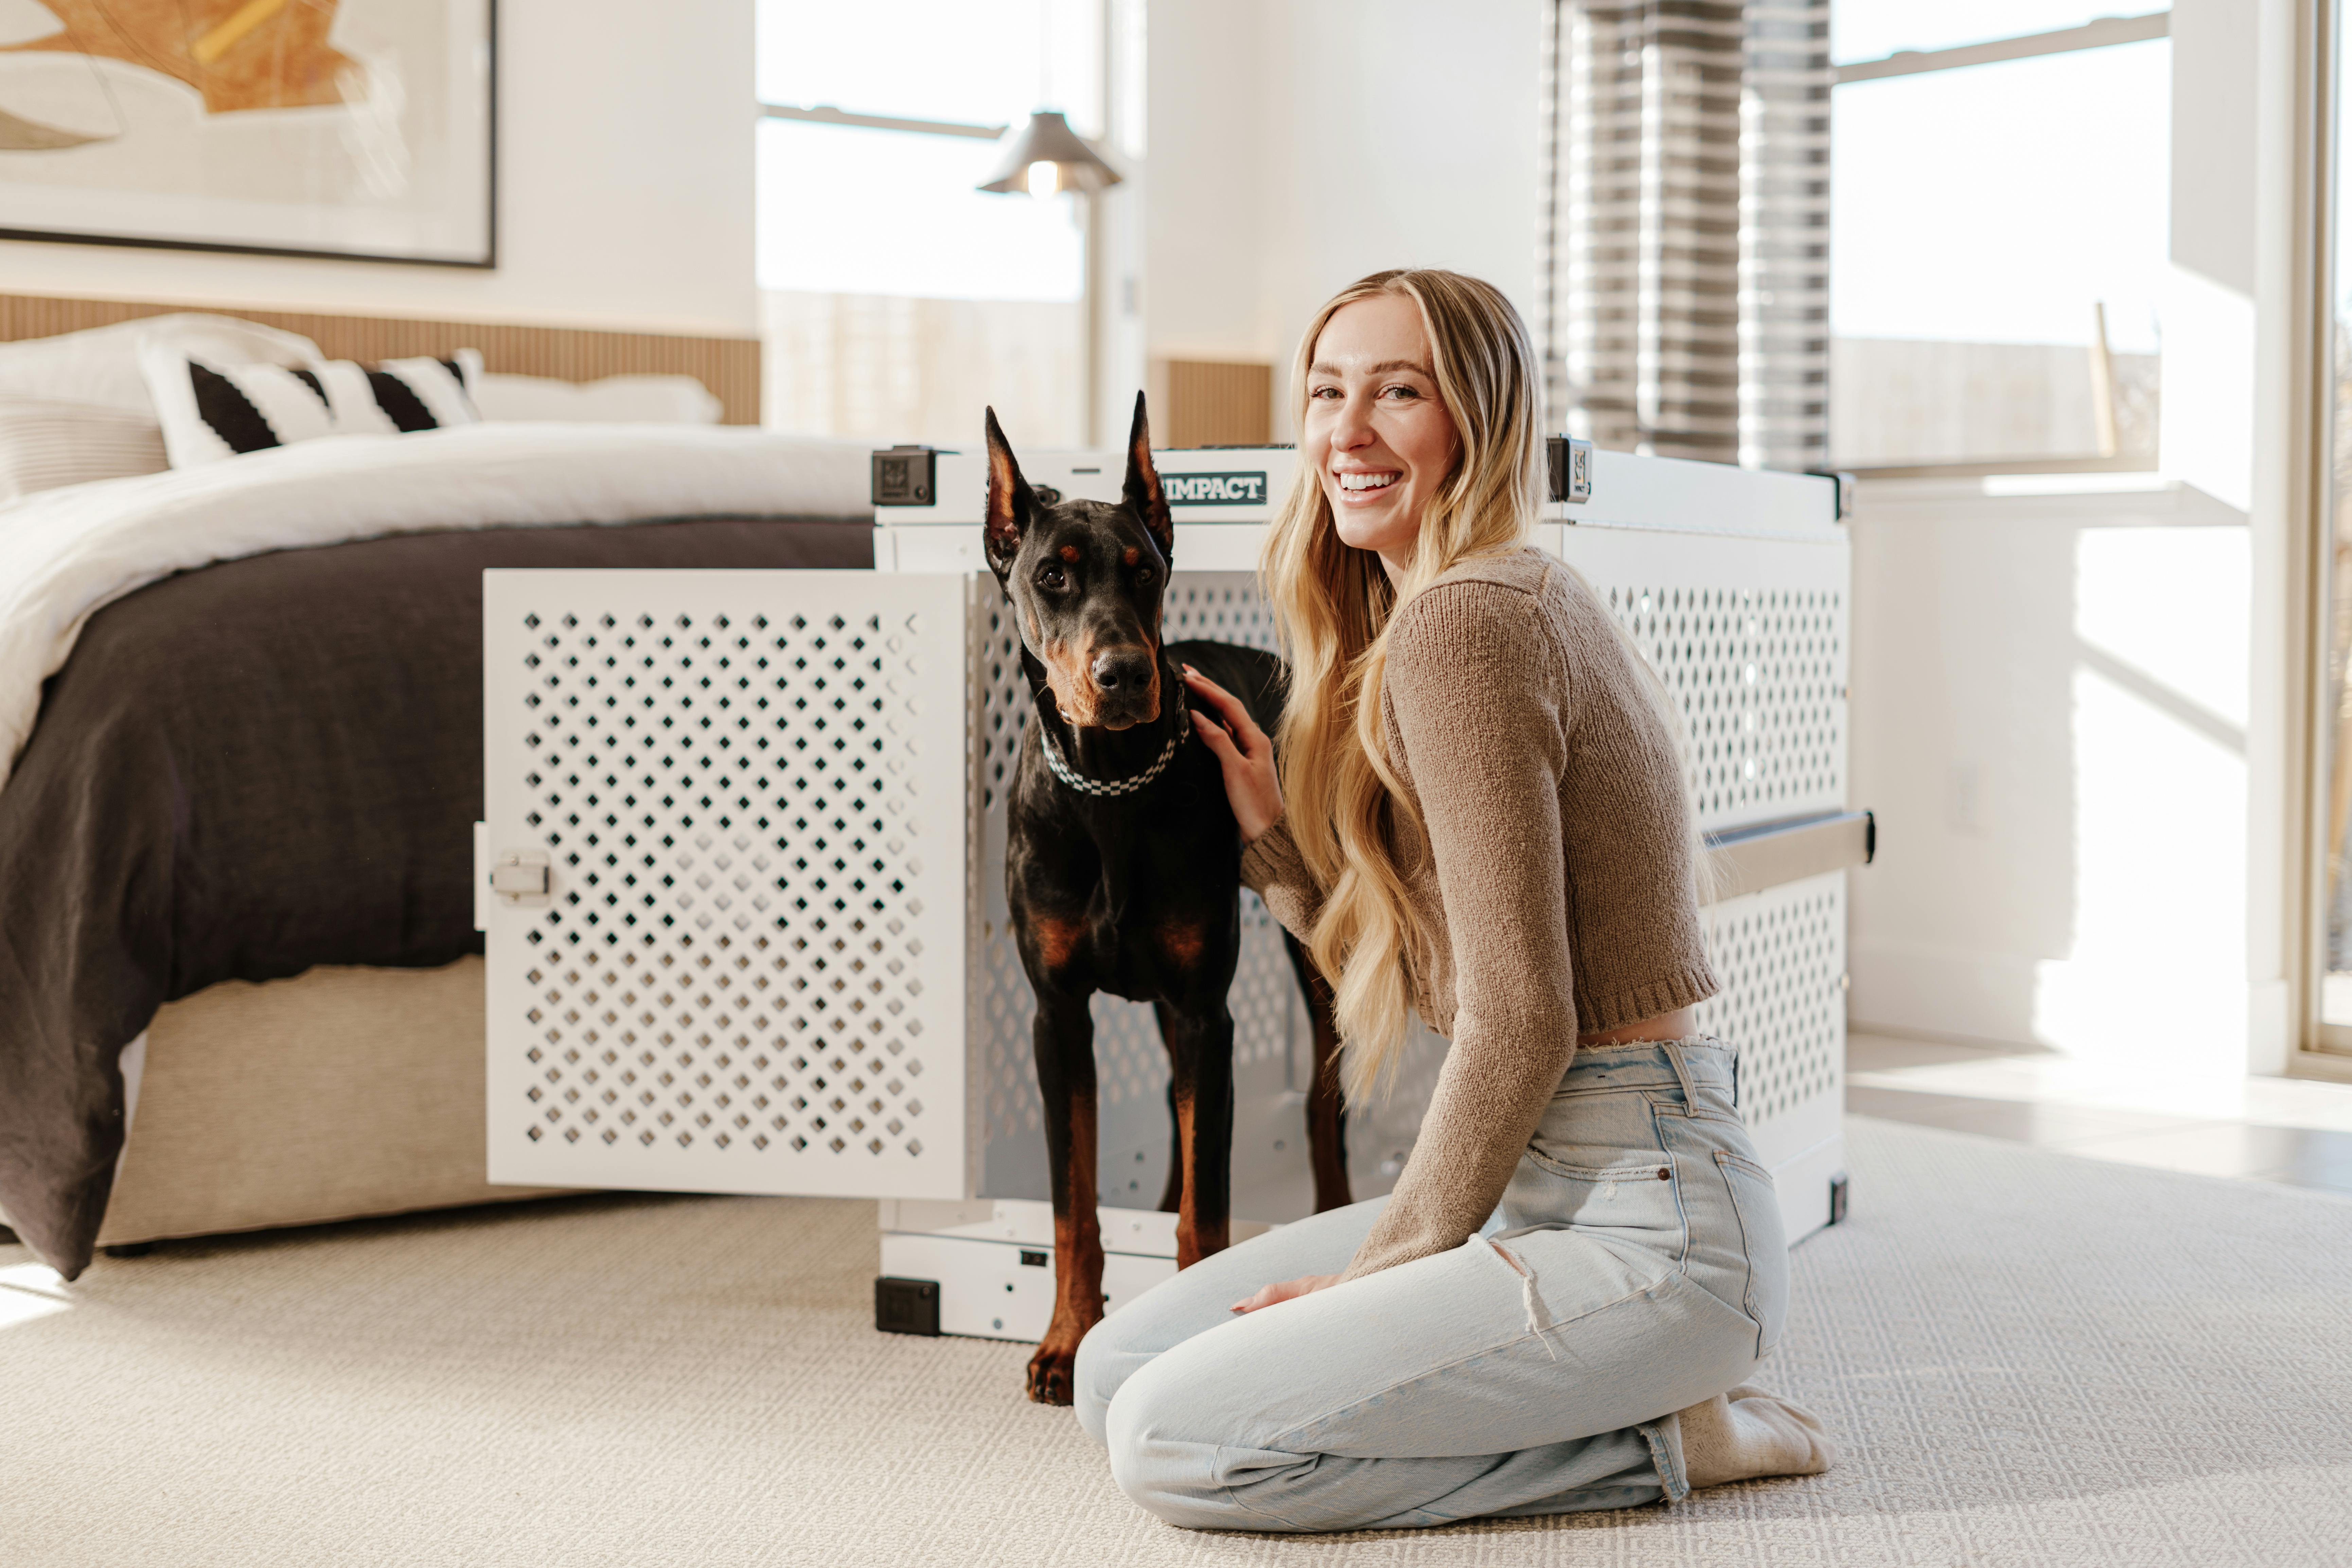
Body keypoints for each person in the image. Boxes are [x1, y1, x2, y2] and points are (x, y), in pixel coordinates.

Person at [1071, 268, 1838, 1532]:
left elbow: (1523, 1022)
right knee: (1114, 1374)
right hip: (1551, 1192)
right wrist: (1270, 844)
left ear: (1475, 420)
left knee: (1175, 1448)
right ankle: (1581, 1395)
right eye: (1326, 392)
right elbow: (1452, 981)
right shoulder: (1466, 608)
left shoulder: (1465, 624)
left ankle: (1672, 1437)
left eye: (1398, 392)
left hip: (1653, 1229)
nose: (1347, 431)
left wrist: (1372, 1279)